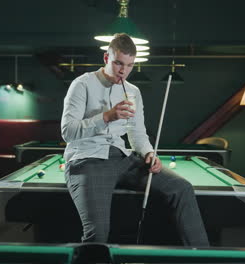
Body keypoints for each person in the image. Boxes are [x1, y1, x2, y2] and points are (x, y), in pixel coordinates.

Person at [61, 33, 209, 247]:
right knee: (98, 234)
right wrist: (106, 117)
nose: (123, 71)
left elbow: (137, 133)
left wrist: (149, 153)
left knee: (182, 188)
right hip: (87, 160)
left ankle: (203, 258)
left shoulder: (132, 91)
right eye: (118, 63)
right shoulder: (82, 84)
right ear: (106, 58)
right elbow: (68, 132)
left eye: (130, 65)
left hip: (123, 159)